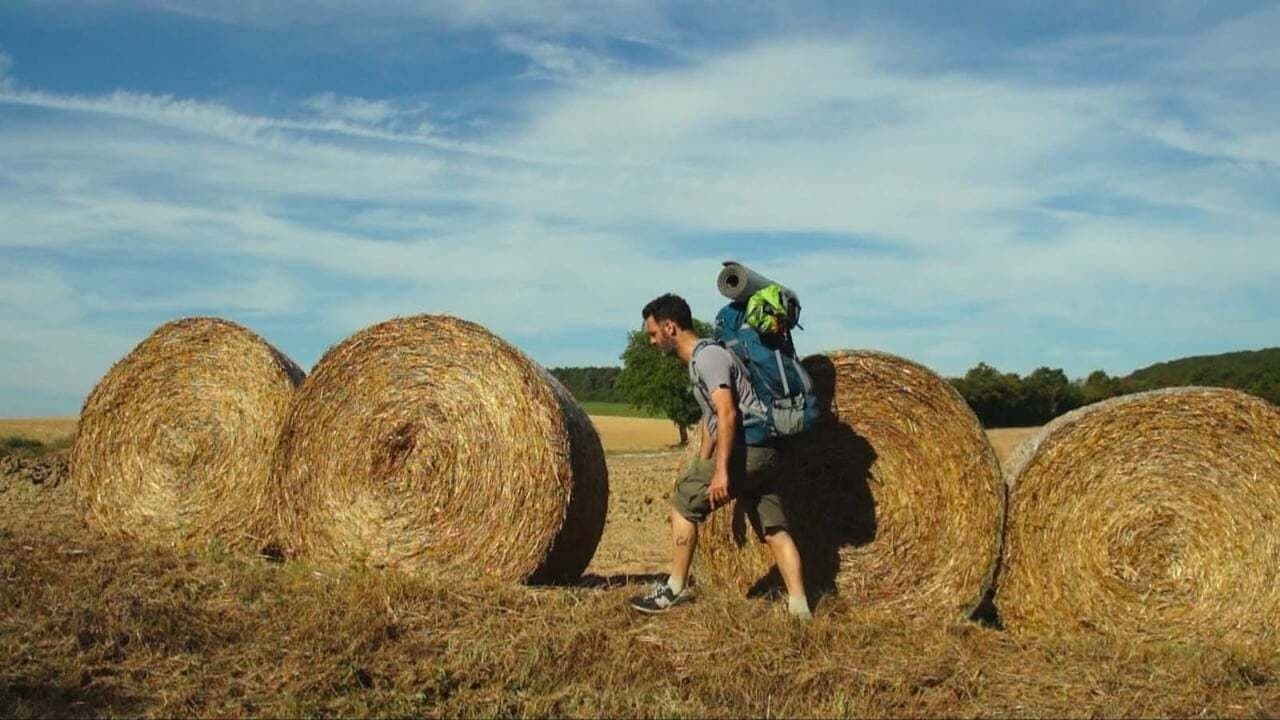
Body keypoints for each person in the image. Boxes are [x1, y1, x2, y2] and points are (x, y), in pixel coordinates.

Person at [627, 293, 812, 620]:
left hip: (748, 448)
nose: (653, 342)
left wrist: (721, 472)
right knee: (773, 530)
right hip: (767, 451)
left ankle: (672, 589)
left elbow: (727, 414)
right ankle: (801, 610)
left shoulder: (707, 358)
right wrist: (702, 462)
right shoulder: (711, 355)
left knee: (683, 504)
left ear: (670, 327)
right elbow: (713, 422)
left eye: (653, 334)